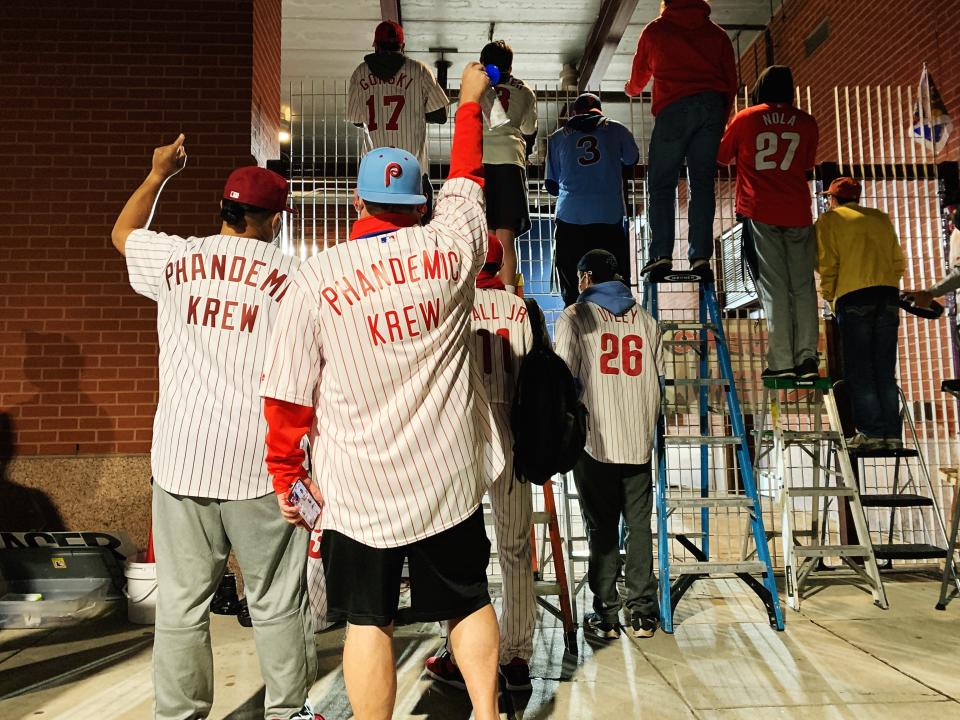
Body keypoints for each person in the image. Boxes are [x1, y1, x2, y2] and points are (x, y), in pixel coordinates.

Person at [260, 63, 504, 720]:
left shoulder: (316, 278)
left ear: (360, 205)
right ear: (420, 205)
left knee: (368, 619)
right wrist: (470, 104)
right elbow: (468, 180)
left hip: (357, 489)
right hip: (444, 475)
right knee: (467, 598)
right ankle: (486, 713)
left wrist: (287, 477)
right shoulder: (452, 249)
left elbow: (286, 397)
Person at [111, 138, 320, 720]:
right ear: (273, 219)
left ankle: (178, 715)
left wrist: (157, 176)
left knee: (180, 607)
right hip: (259, 465)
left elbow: (122, 235)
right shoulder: (291, 276)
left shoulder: (176, 259)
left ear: (225, 211)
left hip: (181, 460)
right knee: (278, 603)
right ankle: (286, 712)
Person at [425, 234, 540, 692]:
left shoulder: (455, 302)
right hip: (513, 429)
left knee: (458, 552)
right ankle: (516, 656)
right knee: (516, 550)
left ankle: (458, 653)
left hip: (465, 435)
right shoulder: (518, 306)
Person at [554, 249, 663, 640]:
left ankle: (606, 615)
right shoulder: (647, 320)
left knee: (601, 529)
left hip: (595, 438)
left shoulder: (575, 316)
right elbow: (659, 377)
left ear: (585, 278)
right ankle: (644, 613)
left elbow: (563, 376)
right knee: (639, 526)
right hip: (637, 438)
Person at [717, 65, 820, 379]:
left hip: (759, 210)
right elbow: (805, 163)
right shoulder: (806, 122)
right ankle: (807, 359)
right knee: (802, 287)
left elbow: (722, 156)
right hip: (798, 211)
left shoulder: (747, 118)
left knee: (773, 287)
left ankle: (781, 362)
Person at [625, 0, 737, 277]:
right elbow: (731, 82)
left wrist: (630, 88)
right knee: (702, 184)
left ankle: (661, 254)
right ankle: (700, 257)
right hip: (711, 108)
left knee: (662, 184)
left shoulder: (655, 31)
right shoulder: (718, 35)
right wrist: (721, 119)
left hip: (673, 109)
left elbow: (638, 78)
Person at [816, 177, 905, 450]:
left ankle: (872, 432)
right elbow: (897, 261)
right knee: (884, 369)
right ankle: (891, 434)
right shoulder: (880, 218)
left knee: (860, 369)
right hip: (888, 296)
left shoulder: (830, 220)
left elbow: (828, 263)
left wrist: (829, 295)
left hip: (853, 296)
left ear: (833, 198)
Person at [347, 20, 450, 221]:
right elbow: (441, 115)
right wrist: (416, 111)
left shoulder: (360, 73)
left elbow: (356, 120)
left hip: (373, 178)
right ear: (402, 46)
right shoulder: (418, 70)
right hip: (412, 173)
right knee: (416, 238)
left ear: (375, 46)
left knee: (374, 241)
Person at [546, 93, 640, 306]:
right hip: (608, 214)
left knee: (571, 283)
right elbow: (631, 158)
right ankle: (616, 322)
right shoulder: (618, 129)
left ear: (574, 113)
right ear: (599, 110)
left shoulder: (558, 137)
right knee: (614, 276)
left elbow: (552, 185)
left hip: (571, 216)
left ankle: (575, 323)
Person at [481, 40, 538, 292]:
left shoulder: (479, 86)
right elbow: (528, 128)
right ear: (510, 65)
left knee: (486, 235)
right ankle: (509, 298)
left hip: (481, 160)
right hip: (510, 161)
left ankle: (483, 293)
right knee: (506, 235)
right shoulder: (524, 90)